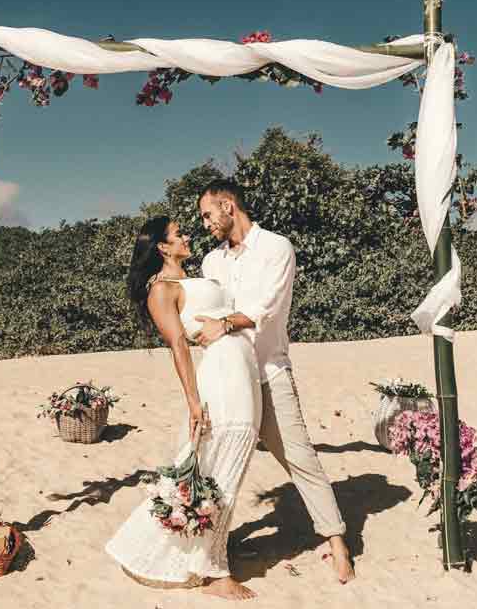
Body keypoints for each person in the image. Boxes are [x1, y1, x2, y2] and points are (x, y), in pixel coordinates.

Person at [194, 179, 356, 584]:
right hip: (228, 380)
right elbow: (205, 313)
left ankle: (337, 542)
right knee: (220, 467)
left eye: (207, 214)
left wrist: (224, 324)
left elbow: (266, 307)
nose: (205, 223)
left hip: (269, 373)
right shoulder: (211, 262)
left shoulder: (277, 248)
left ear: (229, 206)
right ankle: (215, 548)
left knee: (301, 459)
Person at [105, 216, 261, 600]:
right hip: (220, 378)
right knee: (216, 461)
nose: (187, 236)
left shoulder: (198, 276)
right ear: (162, 246)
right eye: (178, 234)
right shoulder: (161, 288)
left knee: (232, 463)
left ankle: (211, 548)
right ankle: (214, 571)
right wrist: (193, 401)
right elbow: (178, 346)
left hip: (244, 371)